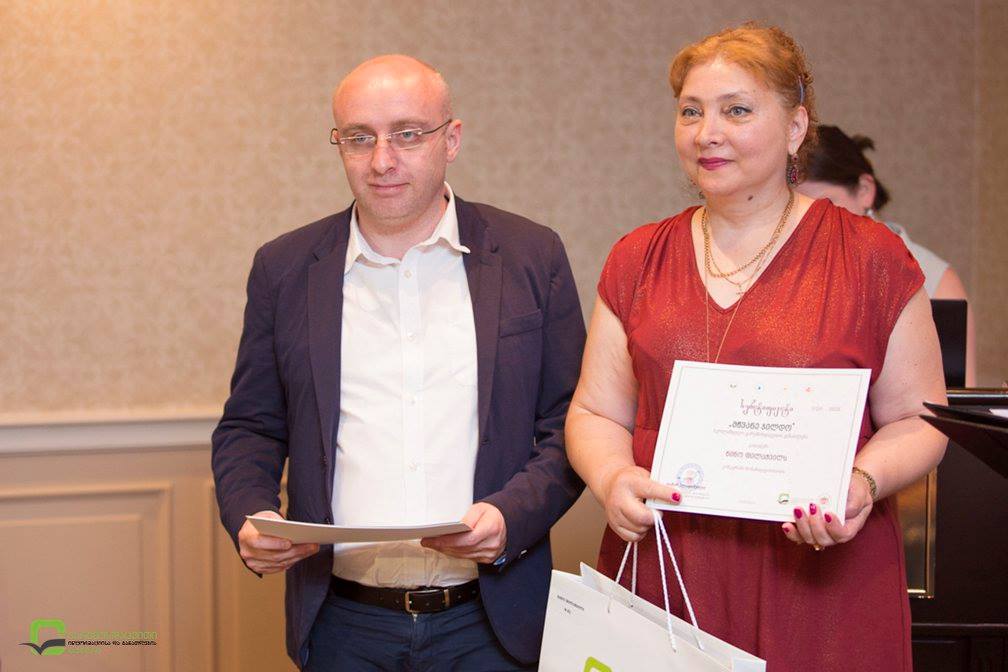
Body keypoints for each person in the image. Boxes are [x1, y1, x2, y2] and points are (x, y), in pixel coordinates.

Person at [565, 24, 947, 672]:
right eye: (691, 112)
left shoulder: (871, 258)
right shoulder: (636, 258)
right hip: (671, 571)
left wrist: (859, 484)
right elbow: (596, 412)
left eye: (736, 110)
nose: (707, 133)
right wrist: (610, 476)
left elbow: (921, 418)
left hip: (823, 579)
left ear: (796, 127)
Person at [212, 54, 585, 671]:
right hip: (342, 623)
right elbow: (250, 425)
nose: (382, 160)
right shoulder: (284, 268)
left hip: (492, 620)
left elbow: (568, 420)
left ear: (451, 140)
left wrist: (511, 516)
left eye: (407, 134)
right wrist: (252, 514)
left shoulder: (529, 254)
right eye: (360, 138)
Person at [800, 124, 976, 385]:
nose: (812, 222)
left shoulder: (936, 279)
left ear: (864, 190)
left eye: (825, 206)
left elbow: (956, 397)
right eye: (798, 209)